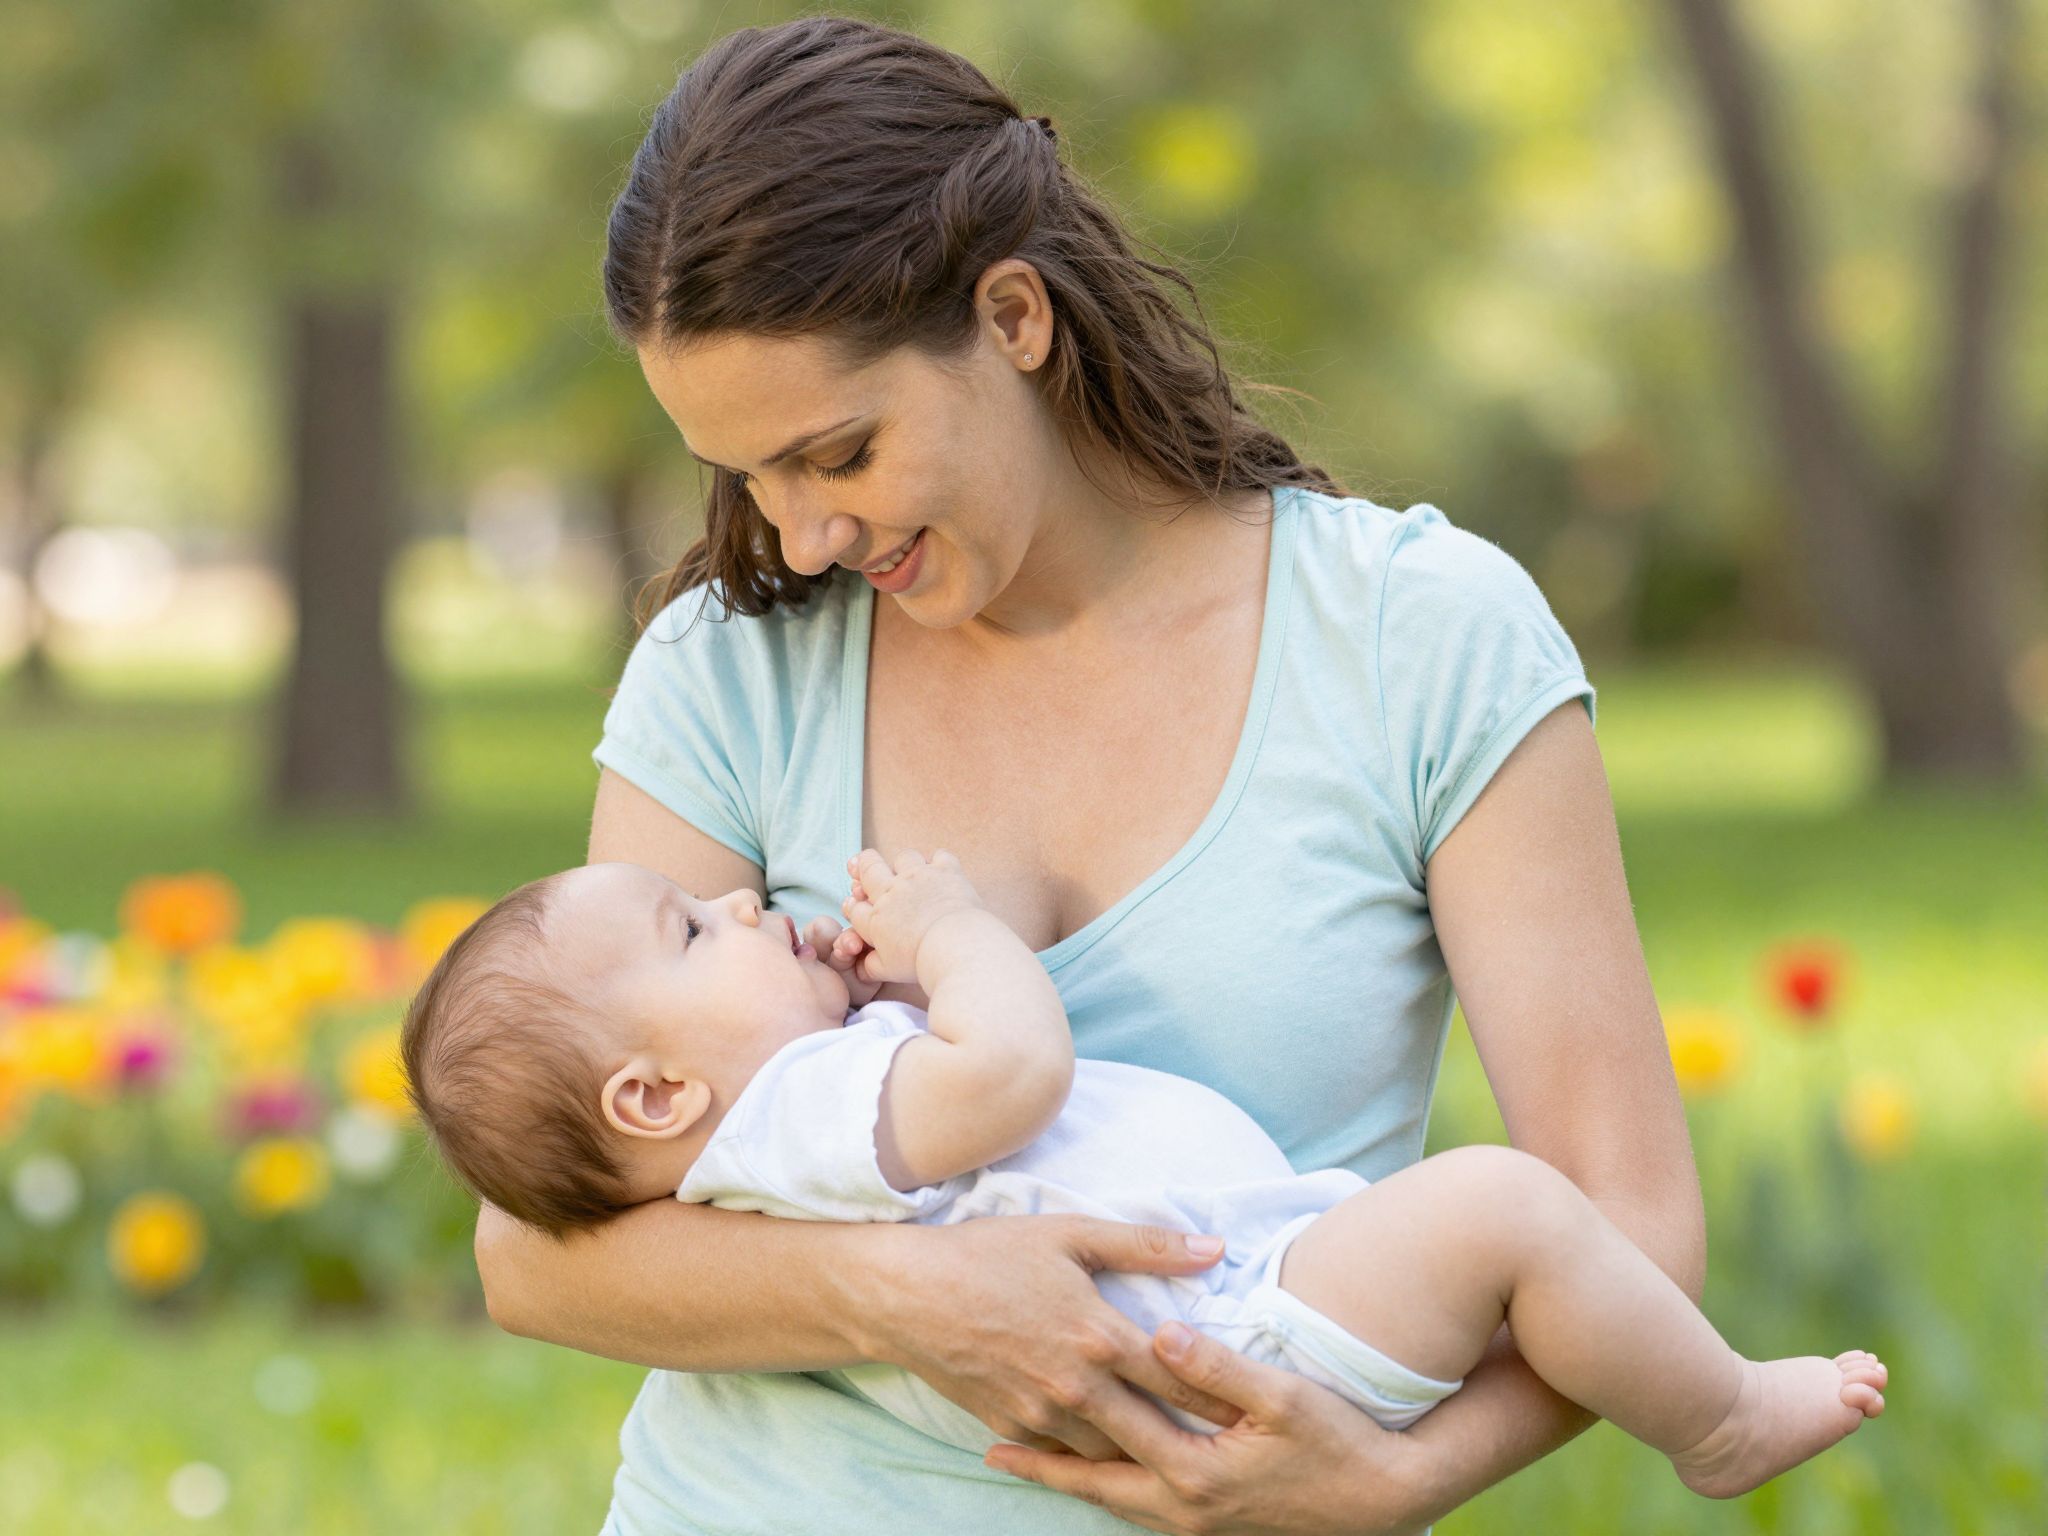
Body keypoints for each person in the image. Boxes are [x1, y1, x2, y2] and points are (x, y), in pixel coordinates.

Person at [476, 15, 1718, 1535]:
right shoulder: (731, 671)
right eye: (750, 478)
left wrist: (1392, 1481)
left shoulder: (1418, 641)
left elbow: (1630, 1222)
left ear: (1011, 316)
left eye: (840, 454)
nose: (799, 538)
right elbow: (535, 1251)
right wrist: (912, 1297)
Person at [410, 849, 1886, 1503]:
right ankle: (1724, 1419)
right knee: (1503, 1209)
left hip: (1211, 1329)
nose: (737, 899)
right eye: (687, 930)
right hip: (1227, 1328)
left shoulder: (773, 1129)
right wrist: (949, 937)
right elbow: (1012, 1077)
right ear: (657, 1093)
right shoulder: (799, 1106)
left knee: (1515, 1234)